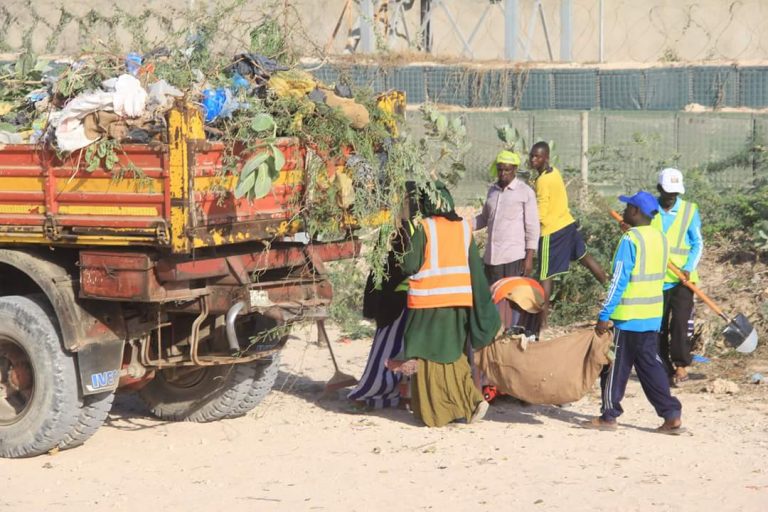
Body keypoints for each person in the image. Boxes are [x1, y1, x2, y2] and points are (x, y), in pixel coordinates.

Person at [398, 182, 501, 427]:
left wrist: (403, 230)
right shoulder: (463, 229)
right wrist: (483, 307)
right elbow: (475, 270)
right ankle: (468, 401)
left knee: (428, 356)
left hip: (428, 302)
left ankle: (438, 412)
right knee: (452, 355)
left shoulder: (425, 228)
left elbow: (409, 265)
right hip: (458, 303)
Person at [583, 191, 685, 434]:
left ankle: (609, 415)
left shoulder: (630, 240)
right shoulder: (659, 238)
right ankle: (671, 414)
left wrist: (605, 314)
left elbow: (619, 280)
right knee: (651, 367)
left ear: (636, 212)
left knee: (614, 368)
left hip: (627, 317)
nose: (626, 210)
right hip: (650, 316)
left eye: (628, 207)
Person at [346, 219, 414, 411]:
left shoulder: (389, 260)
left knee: (397, 354)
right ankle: (365, 393)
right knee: (385, 355)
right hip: (393, 313)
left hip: (395, 312)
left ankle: (390, 396)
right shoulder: (394, 264)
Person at [529, 142, 607, 306]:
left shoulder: (542, 181)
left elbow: (541, 213)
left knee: (545, 275)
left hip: (552, 231)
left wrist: (526, 224)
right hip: (568, 225)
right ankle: (611, 290)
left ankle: (542, 324)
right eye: (532, 156)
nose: (533, 159)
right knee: (585, 258)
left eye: (538, 156)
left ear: (546, 157)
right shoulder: (554, 172)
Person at [652, 168, 703, 385]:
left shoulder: (690, 211)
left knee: (680, 324)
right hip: (655, 278)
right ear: (659, 189)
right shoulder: (649, 210)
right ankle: (662, 367)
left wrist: (688, 268)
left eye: (675, 192)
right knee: (658, 326)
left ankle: (681, 365)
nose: (672, 196)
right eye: (667, 192)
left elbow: (697, 243)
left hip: (682, 278)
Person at [474, 150, 540, 284]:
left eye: (507, 170)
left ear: (515, 169)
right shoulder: (492, 191)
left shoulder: (525, 192)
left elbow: (532, 227)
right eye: (500, 169)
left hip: (513, 258)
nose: (503, 173)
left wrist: (529, 259)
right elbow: (484, 218)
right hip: (492, 258)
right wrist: (460, 224)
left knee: (512, 297)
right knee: (494, 299)